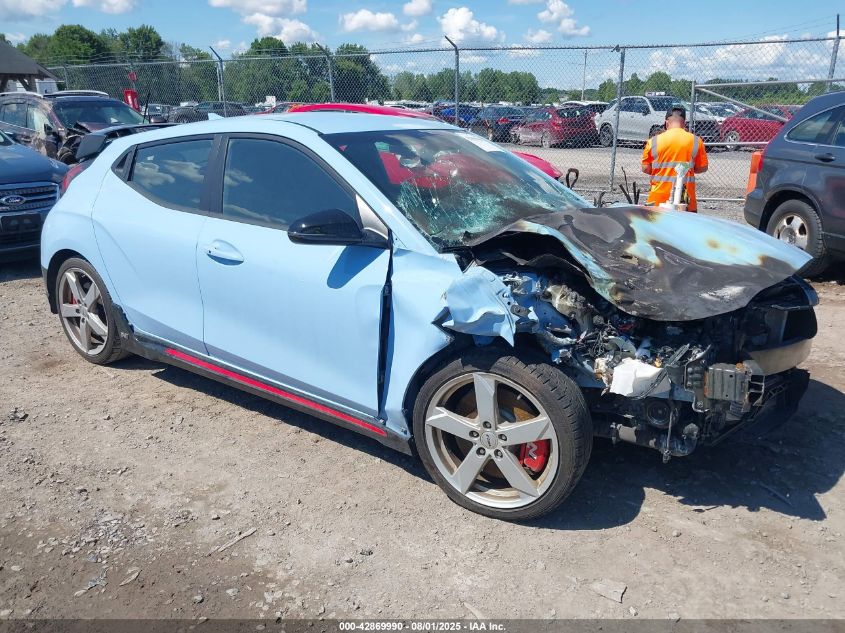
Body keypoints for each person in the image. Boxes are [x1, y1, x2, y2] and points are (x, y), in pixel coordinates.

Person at [641, 106, 708, 212]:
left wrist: (660, 170)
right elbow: (702, 168)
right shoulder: (696, 141)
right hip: (685, 199)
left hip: (657, 199)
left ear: (666, 122)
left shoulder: (653, 141)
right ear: (684, 123)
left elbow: (645, 168)